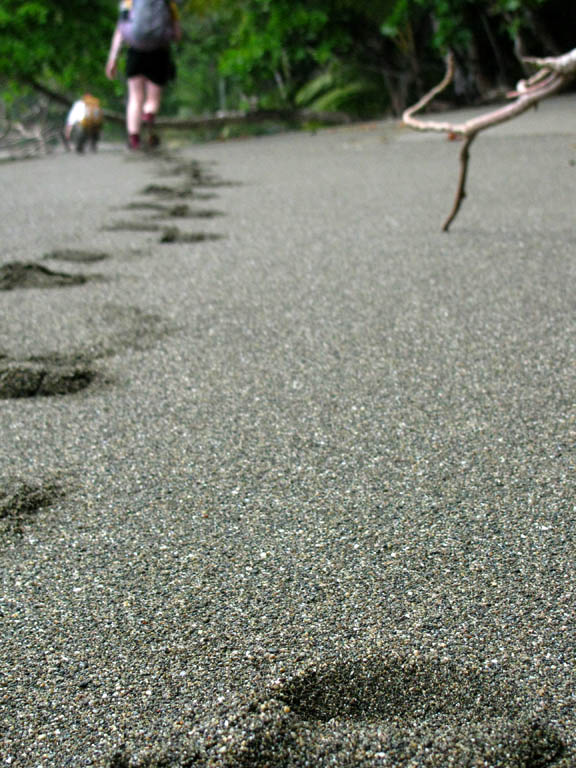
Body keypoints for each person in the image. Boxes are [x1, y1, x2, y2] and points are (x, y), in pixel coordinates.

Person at [105, 0, 181, 150]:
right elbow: (177, 35)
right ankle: (148, 115)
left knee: (135, 96)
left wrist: (112, 59)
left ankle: (134, 138)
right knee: (152, 99)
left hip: (136, 51)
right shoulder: (168, 3)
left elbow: (121, 30)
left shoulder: (129, 1)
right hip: (159, 52)